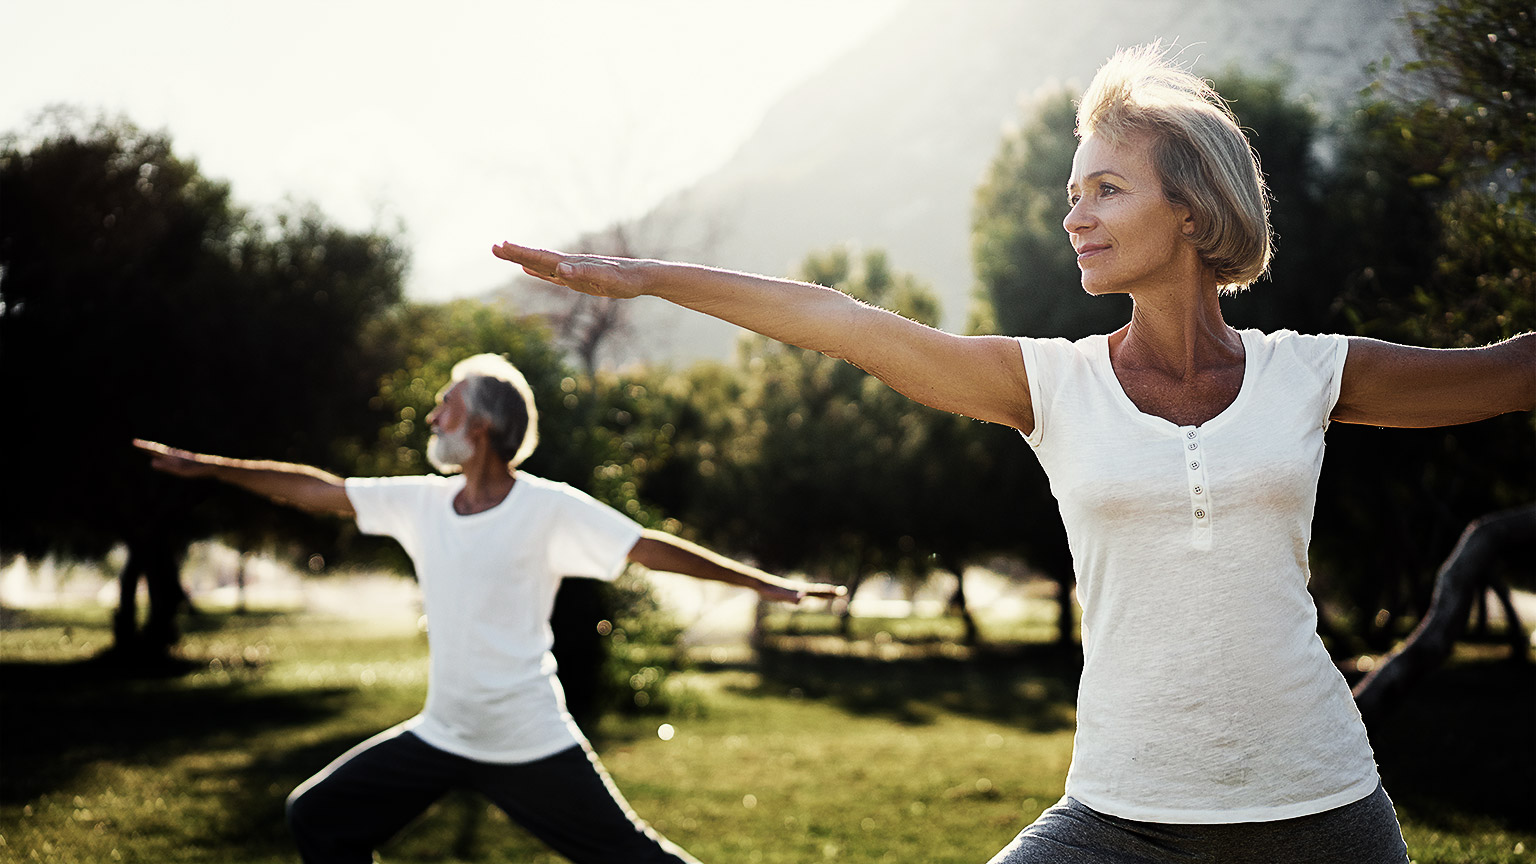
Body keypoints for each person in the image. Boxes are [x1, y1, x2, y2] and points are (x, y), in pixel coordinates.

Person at [489, 43, 1534, 864]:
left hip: (1320, 806)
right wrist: (645, 276)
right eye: (1070, 193)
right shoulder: (1053, 387)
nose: (1073, 216)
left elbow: (1512, 369)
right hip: (1123, 818)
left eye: (1105, 191)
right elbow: (844, 324)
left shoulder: (1308, 374)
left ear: (1191, 206)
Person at [135, 353, 840, 864]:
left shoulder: (546, 507)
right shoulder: (422, 500)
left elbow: (646, 547)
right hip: (443, 732)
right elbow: (317, 491)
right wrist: (212, 467)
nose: (433, 415)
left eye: (447, 404)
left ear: (480, 425)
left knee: (638, 862)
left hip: (526, 738)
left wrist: (766, 585)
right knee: (318, 818)